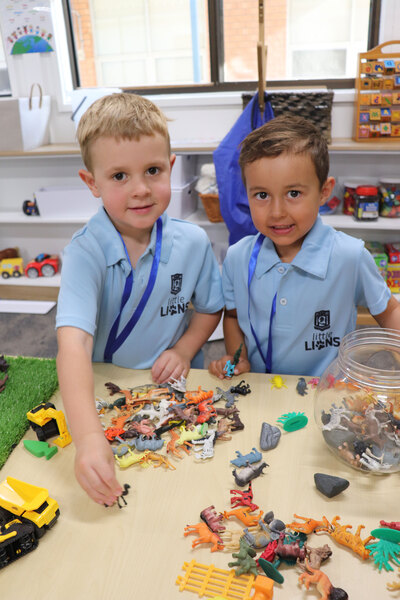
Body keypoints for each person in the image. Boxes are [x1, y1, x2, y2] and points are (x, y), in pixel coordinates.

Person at [56, 93, 224, 505]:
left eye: (152, 171)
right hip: (104, 390)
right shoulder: (84, 252)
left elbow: (209, 307)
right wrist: (90, 438)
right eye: (119, 177)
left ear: (170, 167)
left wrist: (185, 350)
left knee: (187, 491)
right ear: (91, 182)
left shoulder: (193, 242)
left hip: (174, 388)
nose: (141, 190)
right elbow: (72, 343)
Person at [209, 115, 400, 380]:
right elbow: (232, 316)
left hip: (327, 394)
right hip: (260, 391)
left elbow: (389, 310)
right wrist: (237, 356)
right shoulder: (237, 257)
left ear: (324, 192)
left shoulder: (350, 256)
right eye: (262, 195)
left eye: (294, 194)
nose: (277, 212)